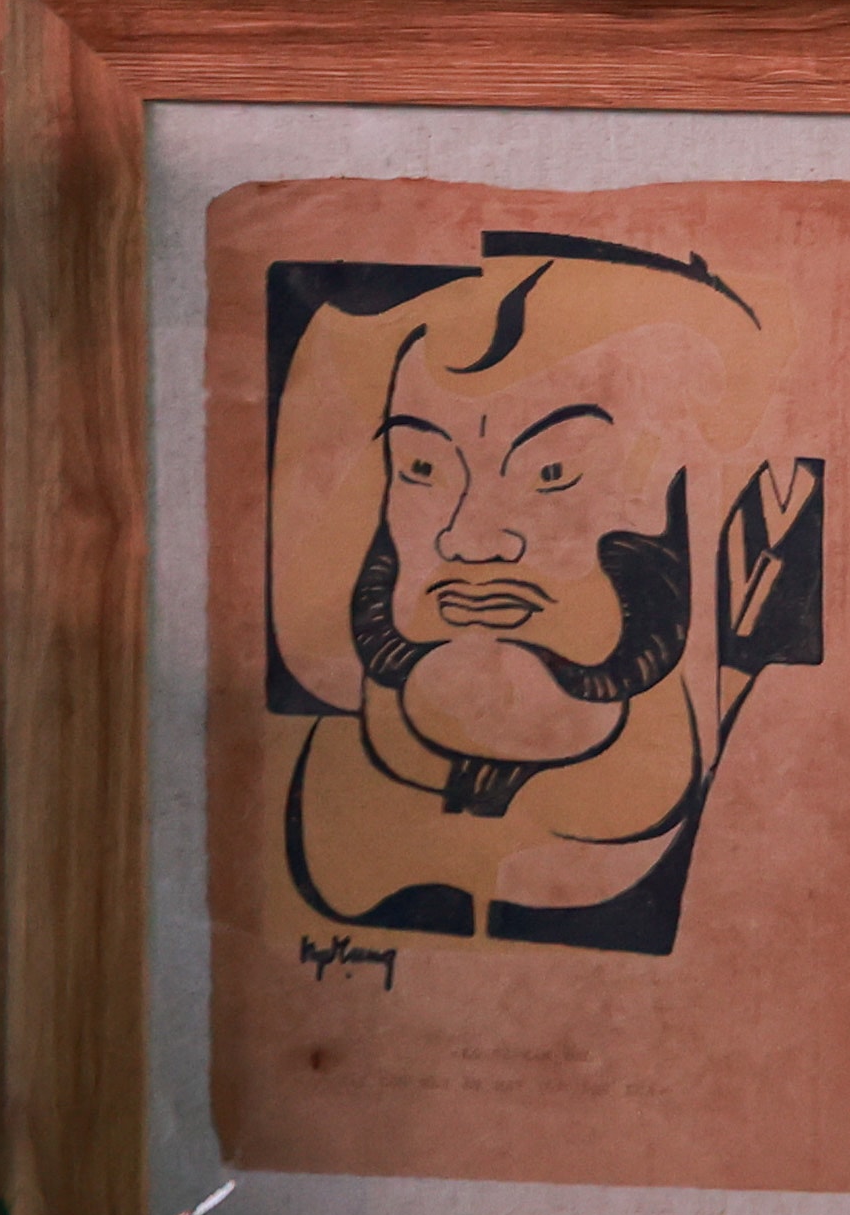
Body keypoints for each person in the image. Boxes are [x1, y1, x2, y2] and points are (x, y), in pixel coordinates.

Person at [266, 231, 818, 952]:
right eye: (422, 469)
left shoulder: (775, 786)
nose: (470, 540)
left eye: (553, 473)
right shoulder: (305, 781)